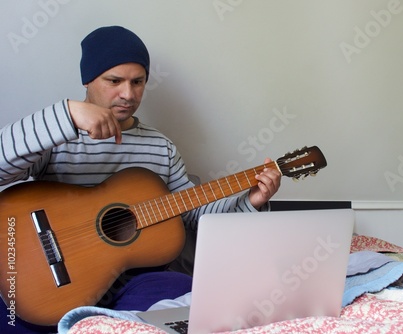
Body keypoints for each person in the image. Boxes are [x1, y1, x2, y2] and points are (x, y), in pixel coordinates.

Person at [0, 26, 281, 333]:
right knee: (14, 315)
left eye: (138, 82)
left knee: (188, 294)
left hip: (132, 286)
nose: (128, 94)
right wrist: (68, 114)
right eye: (114, 81)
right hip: (53, 285)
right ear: (88, 80)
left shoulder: (161, 147)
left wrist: (250, 201)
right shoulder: (57, 133)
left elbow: (191, 213)